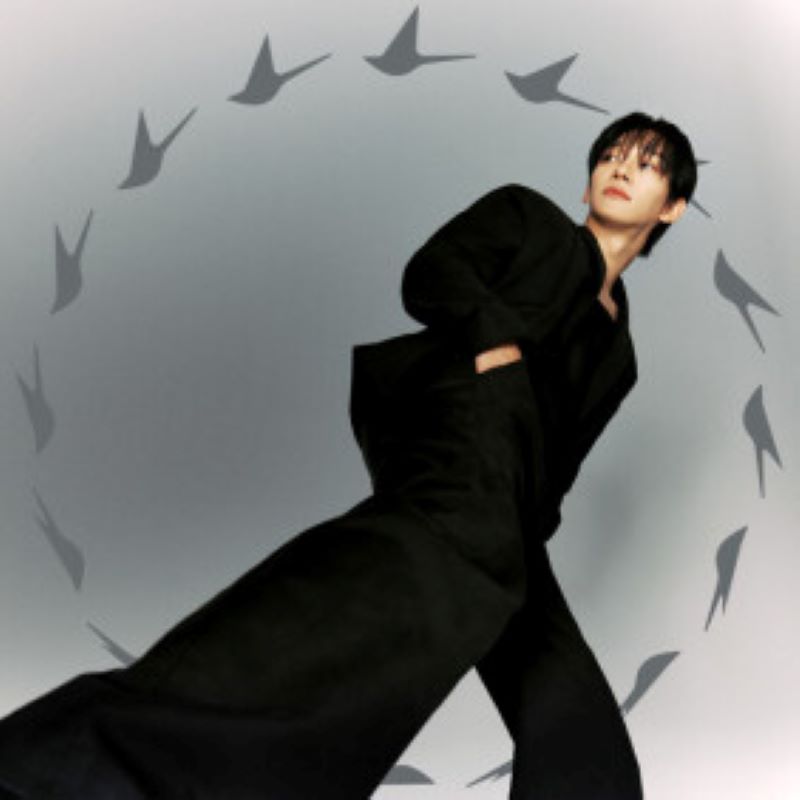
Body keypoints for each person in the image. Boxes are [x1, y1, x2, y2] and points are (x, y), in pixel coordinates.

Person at [0, 110, 695, 799]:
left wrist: (533, 521)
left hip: (512, 502)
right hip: (459, 428)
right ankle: (86, 761)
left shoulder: (620, 356)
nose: (622, 168)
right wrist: (497, 347)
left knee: (550, 663)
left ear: (672, 208)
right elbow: (430, 274)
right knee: (392, 588)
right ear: (586, 182)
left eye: (648, 163)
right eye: (612, 154)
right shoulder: (527, 216)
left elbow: (565, 460)